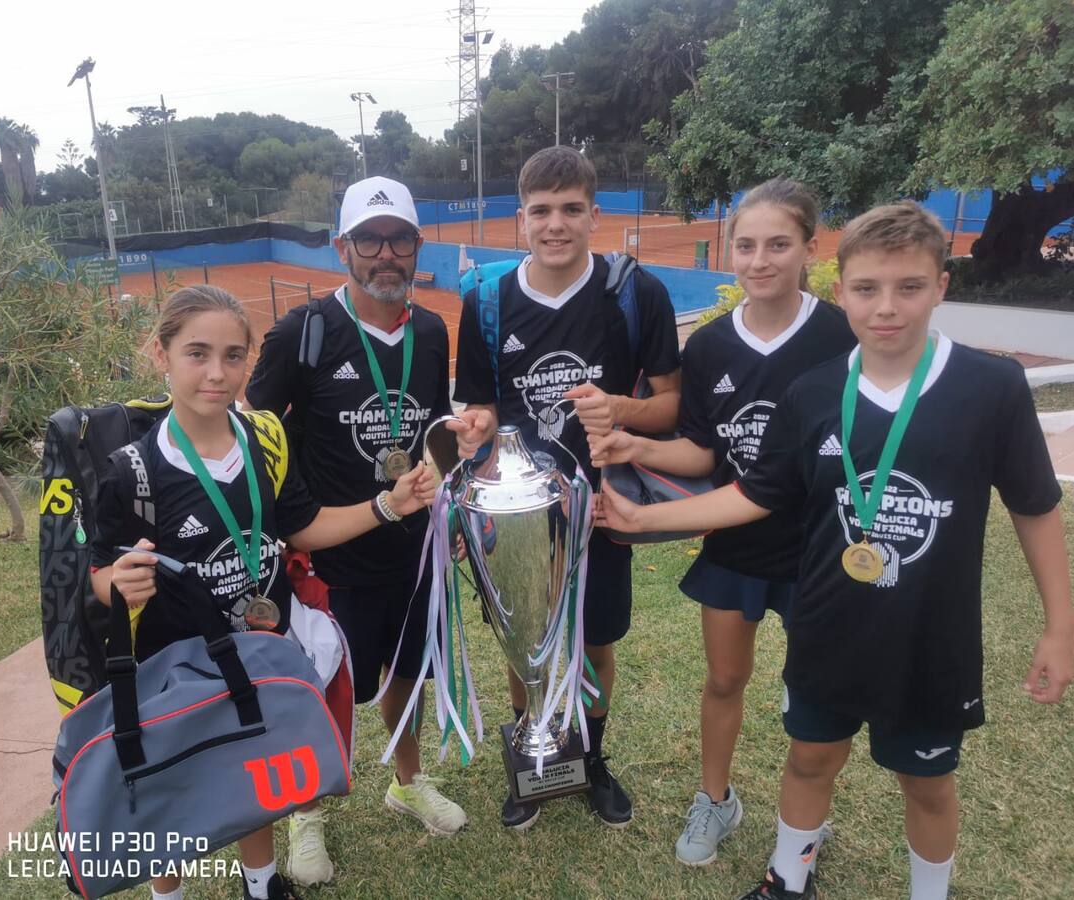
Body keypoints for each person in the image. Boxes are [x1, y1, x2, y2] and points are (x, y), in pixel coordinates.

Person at [594, 201, 1074, 900]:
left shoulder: (990, 387)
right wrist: (641, 518)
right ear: (840, 287)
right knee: (811, 757)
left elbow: (1035, 507)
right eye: (867, 288)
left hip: (930, 635)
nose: (887, 308)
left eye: (909, 287)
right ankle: (787, 882)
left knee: (928, 782)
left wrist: (1060, 627)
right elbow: (756, 492)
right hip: (827, 619)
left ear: (941, 284)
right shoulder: (816, 392)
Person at [90, 285, 437, 900]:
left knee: (259, 767)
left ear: (250, 360)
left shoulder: (264, 441)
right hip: (177, 663)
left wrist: (390, 503)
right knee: (179, 782)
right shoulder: (131, 470)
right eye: (196, 353)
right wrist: (114, 582)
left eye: (232, 355)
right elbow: (100, 572)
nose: (216, 373)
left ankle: (262, 882)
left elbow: (303, 525)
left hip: (260, 647)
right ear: (159, 354)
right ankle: (166, 893)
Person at [590, 179, 855, 865]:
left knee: (815, 693)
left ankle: (807, 819)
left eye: (777, 244)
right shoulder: (708, 347)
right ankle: (716, 801)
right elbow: (704, 452)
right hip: (736, 542)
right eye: (745, 245)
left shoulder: (842, 335)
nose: (759, 260)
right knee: (724, 680)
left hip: (825, 550)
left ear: (808, 248)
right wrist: (636, 445)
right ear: (729, 251)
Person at [449, 146, 682, 830]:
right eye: (541, 211)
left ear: (594, 214)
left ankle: (592, 760)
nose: (556, 224)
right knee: (523, 643)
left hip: (601, 509)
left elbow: (670, 405)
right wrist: (474, 429)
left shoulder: (635, 294)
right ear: (520, 218)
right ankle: (532, 758)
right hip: (516, 515)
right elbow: (481, 410)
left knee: (598, 643)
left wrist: (616, 409)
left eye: (571, 209)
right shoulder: (486, 300)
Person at [244, 176, 465, 885]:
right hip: (331, 550)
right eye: (369, 240)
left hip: (414, 546)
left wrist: (445, 507)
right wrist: (273, 532)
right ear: (343, 248)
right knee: (324, 687)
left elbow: (434, 431)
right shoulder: (301, 334)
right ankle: (309, 817)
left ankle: (407, 781)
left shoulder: (431, 331)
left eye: (400, 238)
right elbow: (255, 438)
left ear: (417, 247)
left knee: (411, 671)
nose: (386, 255)